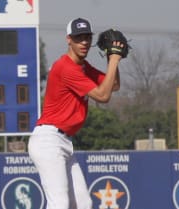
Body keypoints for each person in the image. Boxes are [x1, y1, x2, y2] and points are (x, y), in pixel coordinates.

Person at [28, 17, 124, 209]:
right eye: (79, 37)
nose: (84, 42)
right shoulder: (66, 67)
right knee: (60, 204)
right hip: (48, 141)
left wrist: (110, 57)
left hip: (63, 142)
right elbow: (103, 96)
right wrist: (114, 59)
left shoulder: (83, 67)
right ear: (69, 39)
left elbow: (113, 85)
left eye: (87, 37)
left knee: (83, 203)